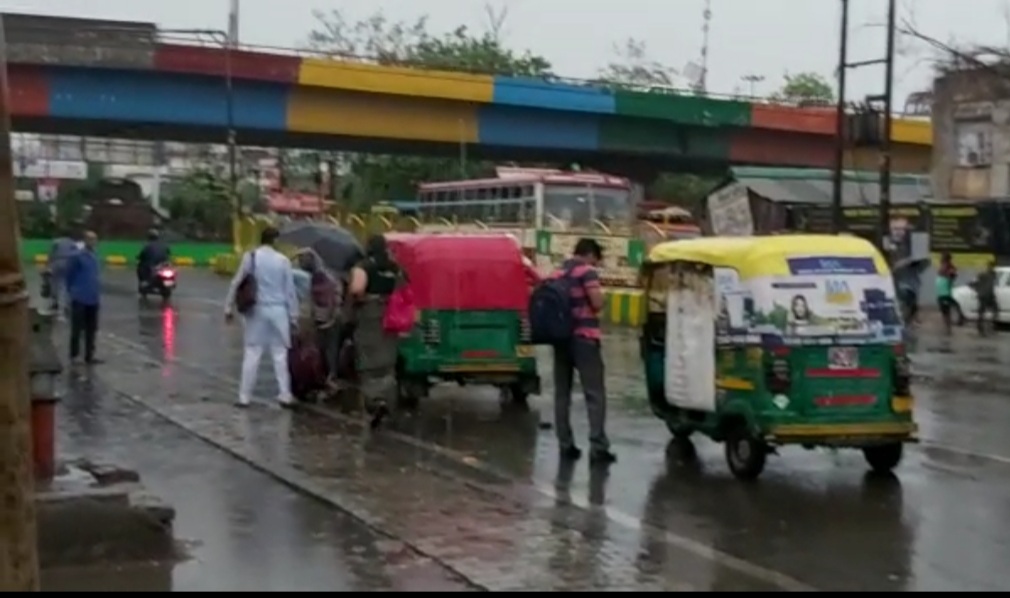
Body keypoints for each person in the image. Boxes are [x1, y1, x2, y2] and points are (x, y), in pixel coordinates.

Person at [551, 238, 615, 465]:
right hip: (585, 339)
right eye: (596, 260)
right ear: (590, 255)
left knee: (562, 394)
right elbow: (596, 302)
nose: (596, 265)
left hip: (560, 338)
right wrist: (601, 299)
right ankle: (598, 446)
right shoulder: (587, 273)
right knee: (595, 394)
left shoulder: (558, 273)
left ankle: (565, 444)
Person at [224, 227, 299, 408]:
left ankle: (244, 397)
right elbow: (290, 291)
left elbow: (237, 281)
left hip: (256, 310)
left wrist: (228, 307)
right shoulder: (283, 261)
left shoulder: (251, 257)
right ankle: (284, 394)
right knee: (280, 354)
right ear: (275, 241)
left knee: (252, 353)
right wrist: (294, 316)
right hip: (279, 311)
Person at [348, 235, 403, 428]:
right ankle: (388, 400)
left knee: (368, 359)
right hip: (391, 316)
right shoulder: (394, 267)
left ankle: (374, 401)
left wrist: (356, 298)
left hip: (370, 315)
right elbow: (404, 287)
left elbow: (357, 289)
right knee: (387, 361)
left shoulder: (364, 266)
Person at [295, 249, 343, 385]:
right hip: (331, 316)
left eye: (302, 260)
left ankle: (328, 377)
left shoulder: (319, 277)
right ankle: (330, 376)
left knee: (326, 349)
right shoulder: (325, 274)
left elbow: (323, 298)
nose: (300, 263)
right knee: (330, 348)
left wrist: (324, 318)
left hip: (326, 318)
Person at [65, 231, 102, 364]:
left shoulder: (95, 256)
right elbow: (69, 275)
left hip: (93, 298)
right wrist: (72, 291)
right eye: (90, 239)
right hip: (79, 297)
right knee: (77, 328)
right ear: (85, 240)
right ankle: (74, 355)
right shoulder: (77, 256)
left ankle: (89, 355)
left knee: (92, 329)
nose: (93, 242)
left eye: (95, 239)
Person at [47, 227, 79, 318]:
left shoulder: (56, 242)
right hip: (68, 264)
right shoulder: (73, 243)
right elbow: (76, 255)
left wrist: (48, 266)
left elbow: (50, 254)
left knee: (54, 284)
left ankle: (55, 303)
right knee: (66, 286)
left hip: (56, 264)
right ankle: (66, 305)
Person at [936, 252, 958, 335]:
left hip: (945, 293)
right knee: (944, 312)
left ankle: (948, 329)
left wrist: (950, 277)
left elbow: (953, 274)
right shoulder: (943, 267)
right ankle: (947, 328)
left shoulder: (949, 268)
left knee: (946, 312)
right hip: (941, 293)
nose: (941, 260)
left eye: (943, 258)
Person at [975, 260, 998, 336]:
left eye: (993, 267)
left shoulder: (993, 275)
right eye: (991, 267)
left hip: (989, 295)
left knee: (995, 310)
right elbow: (976, 281)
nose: (992, 268)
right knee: (981, 312)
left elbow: (991, 285)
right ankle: (981, 328)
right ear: (988, 267)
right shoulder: (984, 274)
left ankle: (989, 326)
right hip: (983, 295)